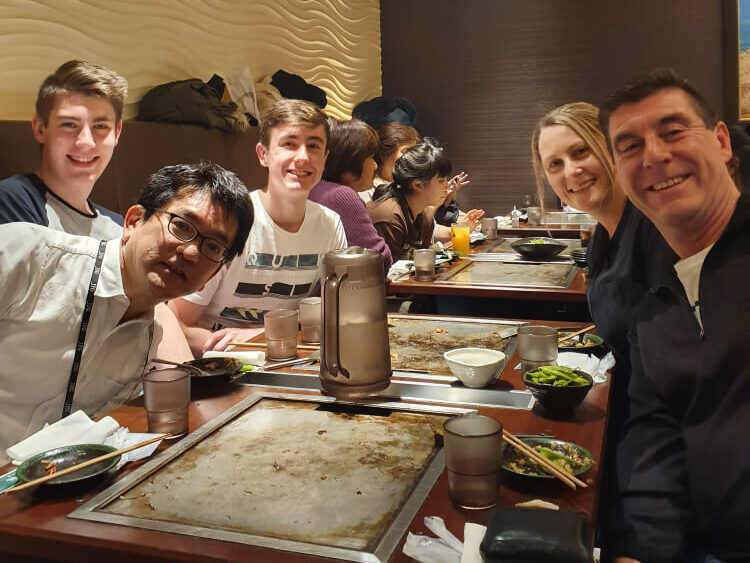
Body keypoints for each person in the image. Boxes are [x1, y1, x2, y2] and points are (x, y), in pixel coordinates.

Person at [0, 162, 253, 463]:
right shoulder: (28, 254)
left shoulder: (148, 339)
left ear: (211, 276)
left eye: (212, 247)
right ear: (133, 221)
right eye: (181, 226)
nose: (191, 252)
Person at [599, 68, 749, 562]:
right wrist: (638, 551)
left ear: (722, 141)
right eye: (629, 146)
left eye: (673, 131)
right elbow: (655, 433)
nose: (656, 156)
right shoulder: (654, 291)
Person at [170, 99, 347, 355]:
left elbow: (336, 316)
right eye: (289, 144)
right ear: (263, 154)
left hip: (285, 357)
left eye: (313, 146)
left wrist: (269, 337)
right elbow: (179, 324)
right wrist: (254, 344)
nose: (303, 157)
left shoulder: (330, 224)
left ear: (325, 158)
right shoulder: (229, 221)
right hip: (219, 365)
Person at [0, 59, 126, 238]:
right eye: (69, 124)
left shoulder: (120, 226)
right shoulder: (12, 201)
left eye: (100, 126)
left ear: (117, 132)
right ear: (40, 128)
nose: (86, 142)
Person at [367, 138, 483, 261]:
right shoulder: (389, 218)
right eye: (441, 180)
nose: (447, 186)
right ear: (418, 185)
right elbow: (389, 273)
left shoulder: (424, 214)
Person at [308, 118, 393, 271]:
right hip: (333, 293)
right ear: (351, 161)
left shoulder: (312, 189)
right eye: (370, 158)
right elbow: (379, 259)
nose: (374, 166)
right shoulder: (341, 196)